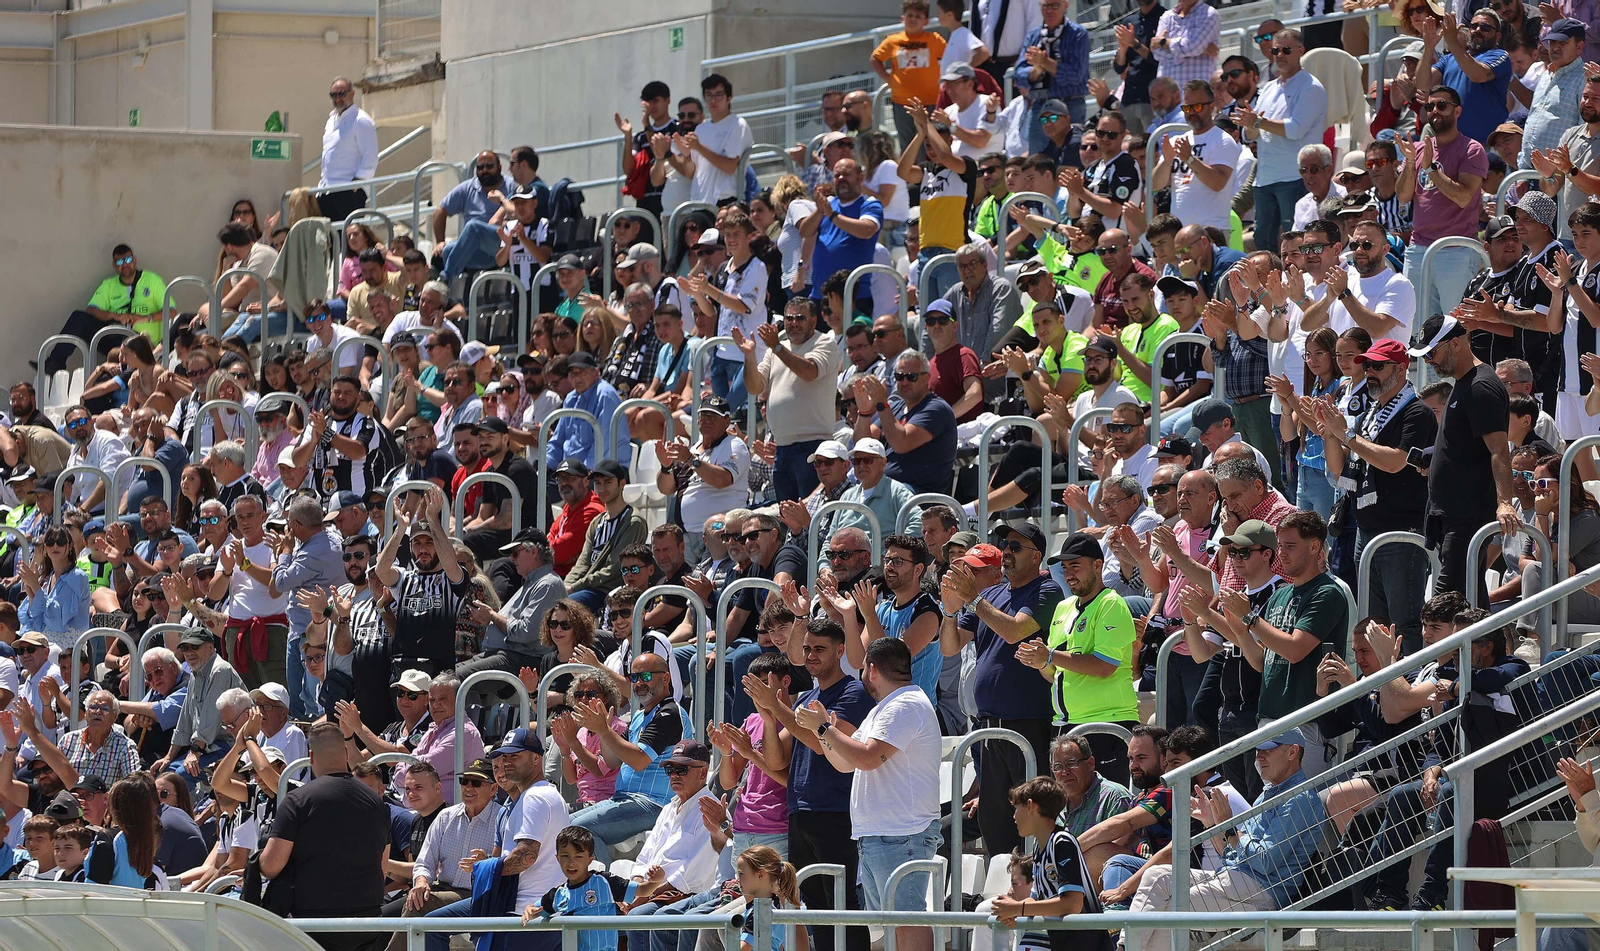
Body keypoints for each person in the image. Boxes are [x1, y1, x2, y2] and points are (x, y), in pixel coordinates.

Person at [1122, 728, 1328, 951]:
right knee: (1156, 875)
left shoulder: (1299, 798)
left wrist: (1229, 828)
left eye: (1267, 750)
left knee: (1172, 905)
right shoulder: (1267, 794)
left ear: (1292, 752)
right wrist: (1213, 824)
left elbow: (1265, 862)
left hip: (1263, 892)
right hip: (1239, 882)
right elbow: (1230, 854)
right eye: (1257, 750)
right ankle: (1124, 946)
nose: (1259, 757)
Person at [795, 638, 940, 951]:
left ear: (872, 670)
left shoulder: (904, 705)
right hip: (884, 834)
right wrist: (825, 732)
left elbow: (867, 758)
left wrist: (825, 729)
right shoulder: (885, 709)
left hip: (902, 833)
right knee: (893, 922)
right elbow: (845, 763)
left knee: (907, 919)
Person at [744, 615, 873, 951]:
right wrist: (768, 717)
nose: (811, 655)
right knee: (813, 904)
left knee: (841, 904)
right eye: (807, 649)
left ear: (840, 650)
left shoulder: (854, 692)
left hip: (836, 811)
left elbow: (822, 743)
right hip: (801, 811)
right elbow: (777, 760)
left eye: (819, 649)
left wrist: (777, 706)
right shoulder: (804, 700)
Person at [938, 524, 1062, 854]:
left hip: (1028, 725)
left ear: (1036, 556)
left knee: (1032, 820)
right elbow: (950, 647)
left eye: (1015, 547)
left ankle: (1035, 881)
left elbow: (1014, 631)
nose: (1006, 551)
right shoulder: (991, 596)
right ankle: (1004, 883)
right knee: (995, 824)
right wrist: (949, 611)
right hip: (988, 728)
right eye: (1005, 545)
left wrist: (972, 598)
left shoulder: (1047, 590)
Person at [1314, 338, 1437, 653]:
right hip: (1366, 532)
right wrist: (1330, 433)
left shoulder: (1417, 412)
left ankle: (1409, 680)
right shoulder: (1370, 413)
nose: (1369, 372)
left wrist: (1346, 434)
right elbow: (1340, 470)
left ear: (1402, 368)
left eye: (1378, 366)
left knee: (1404, 623)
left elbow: (1395, 462)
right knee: (1373, 624)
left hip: (1401, 534)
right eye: (1367, 365)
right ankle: (1381, 682)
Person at [1214, 511, 1349, 780]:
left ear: (1315, 547)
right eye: (1280, 546)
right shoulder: (1281, 595)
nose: (1282, 554)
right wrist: (1241, 631)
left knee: (1303, 803)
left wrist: (1250, 618)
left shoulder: (1327, 592)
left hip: (1306, 719)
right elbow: (1262, 662)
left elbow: (1295, 650)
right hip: (1270, 717)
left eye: (1290, 546)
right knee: (1272, 800)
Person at [1409, 313, 1519, 593]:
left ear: (1456, 344)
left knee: (1447, 599)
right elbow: (1467, 443)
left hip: (1467, 516)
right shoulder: (1465, 381)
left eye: (1431, 353)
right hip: (1454, 513)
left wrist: (1505, 503)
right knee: (1471, 598)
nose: (1428, 361)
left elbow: (1499, 450)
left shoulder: (1481, 386)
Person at [261, 722, 390, 951]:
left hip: (314, 924)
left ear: (311, 757)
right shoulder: (377, 803)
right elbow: (383, 867)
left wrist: (256, 862)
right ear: (346, 753)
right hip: (367, 920)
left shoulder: (297, 801)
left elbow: (271, 866)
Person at [1022, 529, 1138, 748]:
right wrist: (1040, 663)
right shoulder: (1063, 607)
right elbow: (1055, 674)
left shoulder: (1111, 603)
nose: (1068, 575)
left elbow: (1105, 666)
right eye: (1064, 568)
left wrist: (1050, 656)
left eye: (1075, 566)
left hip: (1107, 722)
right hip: (1065, 724)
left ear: (1097, 565)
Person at [568, 652, 686, 865]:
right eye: (634, 677)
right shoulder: (640, 716)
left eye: (646, 676)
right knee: (566, 825)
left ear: (666, 678)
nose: (639, 683)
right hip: (626, 799)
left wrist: (604, 730)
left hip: (655, 803)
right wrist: (603, 730)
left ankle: (602, 884)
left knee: (580, 830)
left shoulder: (669, 714)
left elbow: (639, 761)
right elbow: (612, 760)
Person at [1236, 29, 1327, 253]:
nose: (1279, 55)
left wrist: (1257, 122)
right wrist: (1250, 126)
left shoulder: (1311, 86)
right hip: (1265, 179)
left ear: (1301, 51)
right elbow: (1251, 135)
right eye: (1275, 50)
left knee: (1297, 242)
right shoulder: (1269, 88)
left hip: (1294, 178)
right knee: (1263, 242)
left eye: (1286, 50)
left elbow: (1296, 129)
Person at [991, 777, 1107, 951]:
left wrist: (1019, 908)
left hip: (1088, 945)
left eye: (1016, 808)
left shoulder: (1062, 842)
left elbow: (1073, 904)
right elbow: (1037, 898)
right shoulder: (1038, 847)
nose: (1014, 817)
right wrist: (1013, 911)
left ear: (1031, 806)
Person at [851, 351, 958, 497]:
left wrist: (882, 403)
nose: (904, 382)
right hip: (885, 488)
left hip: (916, 495)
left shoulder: (936, 409)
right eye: (900, 377)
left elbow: (901, 443)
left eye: (911, 377)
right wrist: (864, 412)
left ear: (926, 378)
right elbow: (863, 444)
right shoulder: (895, 407)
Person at [50, 245, 167, 373]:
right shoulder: (109, 284)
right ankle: (54, 364)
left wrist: (144, 318)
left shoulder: (152, 280)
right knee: (79, 317)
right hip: (114, 336)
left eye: (128, 260)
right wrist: (116, 316)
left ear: (135, 260)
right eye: (119, 262)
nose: (125, 264)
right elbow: (91, 310)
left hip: (140, 341)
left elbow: (171, 311)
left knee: (125, 351)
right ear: (114, 265)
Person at [1153, 80, 1242, 232]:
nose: (1192, 112)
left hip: (1212, 230)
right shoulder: (1177, 141)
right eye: (1187, 108)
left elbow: (1218, 183)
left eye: (1197, 107)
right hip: (1181, 232)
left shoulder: (1222, 140)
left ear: (1212, 107)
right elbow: (1156, 184)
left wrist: (1189, 159)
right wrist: (1167, 162)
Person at [563, 460, 648, 614]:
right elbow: (582, 563)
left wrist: (574, 587)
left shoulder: (632, 521)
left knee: (564, 608)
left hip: (611, 591)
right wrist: (565, 585)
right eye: (598, 483)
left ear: (622, 483)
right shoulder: (597, 521)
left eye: (608, 482)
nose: (602, 488)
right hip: (589, 588)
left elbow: (614, 569)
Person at [318, 78, 378, 225]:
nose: (337, 99)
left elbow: (370, 156)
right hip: (326, 190)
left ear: (352, 94)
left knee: (349, 235)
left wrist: (356, 184)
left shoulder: (361, 120)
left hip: (349, 191)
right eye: (333, 95)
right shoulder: (331, 121)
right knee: (329, 237)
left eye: (342, 94)